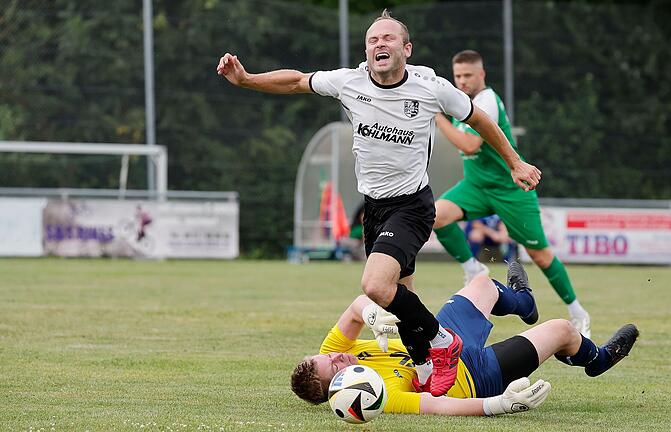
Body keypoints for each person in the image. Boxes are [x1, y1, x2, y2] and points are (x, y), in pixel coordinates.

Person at [217, 11, 542, 396]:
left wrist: (515, 162)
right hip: (375, 209)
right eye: (372, 40)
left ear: (406, 49)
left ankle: (442, 344)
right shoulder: (349, 81)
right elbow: (296, 82)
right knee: (402, 299)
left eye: (388, 38)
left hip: (412, 205)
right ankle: (422, 367)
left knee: (374, 285)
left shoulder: (431, 87)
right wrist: (247, 79)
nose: (379, 44)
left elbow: (482, 120)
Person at [290, 261, 639, 416]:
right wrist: (500, 404)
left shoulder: (333, 350)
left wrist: (370, 313)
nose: (339, 358)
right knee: (563, 329)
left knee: (483, 283)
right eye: (334, 367)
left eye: (330, 357)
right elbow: (440, 405)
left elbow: (355, 307)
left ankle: (524, 302)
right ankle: (598, 360)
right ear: (339, 391)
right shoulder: (373, 396)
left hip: (442, 339)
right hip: (477, 376)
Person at [432, 50, 592, 337]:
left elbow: (469, 145)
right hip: (476, 187)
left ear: (482, 75)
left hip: (511, 189)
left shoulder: (486, 101)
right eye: (458, 76)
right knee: (435, 216)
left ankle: (578, 312)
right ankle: (474, 269)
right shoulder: (460, 103)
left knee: (540, 255)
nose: (463, 81)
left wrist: (437, 116)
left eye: (468, 75)